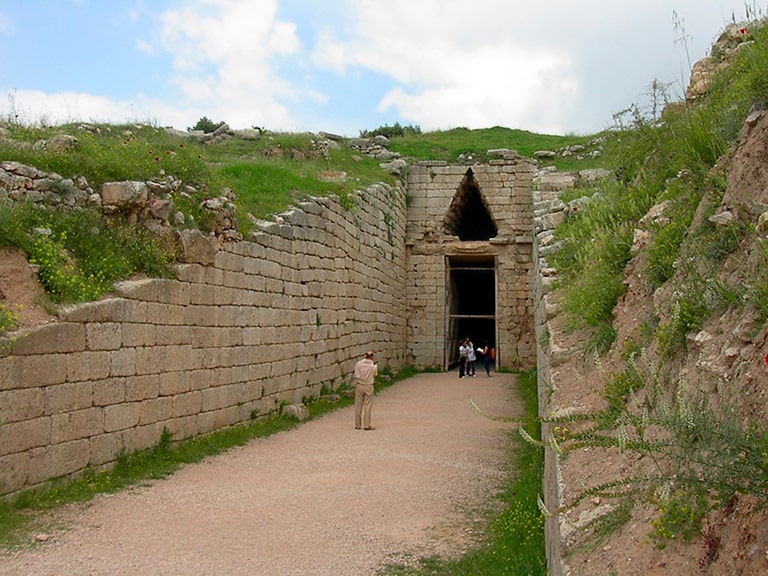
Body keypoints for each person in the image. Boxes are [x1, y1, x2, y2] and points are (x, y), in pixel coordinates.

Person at [353, 350, 378, 430]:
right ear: (372, 357)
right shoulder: (373, 366)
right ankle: (367, 425)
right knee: (367, 405)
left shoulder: (358, 364)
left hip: (359, 385)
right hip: (368, 385)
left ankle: (357, 424)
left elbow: (356, 374)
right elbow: (375, 374)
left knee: (358, 405)